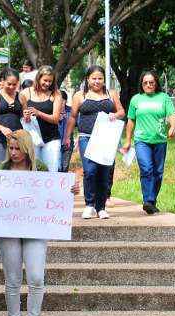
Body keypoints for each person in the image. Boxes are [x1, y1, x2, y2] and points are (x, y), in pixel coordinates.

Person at [0, 129, 79, 316]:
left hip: (36, 228)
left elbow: (55, 194)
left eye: (18, 149)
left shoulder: (40, 169)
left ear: (27, 149)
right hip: (8, 229)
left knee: (36, 277)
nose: (13, 153)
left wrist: (70, 190)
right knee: (12, 279)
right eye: (11, 148)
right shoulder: (1, 170)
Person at [64, 65, 125, 219]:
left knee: (104, 172)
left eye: (100, 78)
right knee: (90, 171)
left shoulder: (111, 94)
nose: (97, 81)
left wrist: (115, 115)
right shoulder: (80, 95)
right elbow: (72, 117)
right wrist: (67, 136)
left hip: (106, 140)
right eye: (94, 78)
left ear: (104, 80)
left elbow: (122, 111)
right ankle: (89, 205)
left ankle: (101, 207)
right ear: (88, 79)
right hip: (86, 137)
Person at [121, 70, 175, 215]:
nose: (148, 85)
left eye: (151, 82)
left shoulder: (164, 98)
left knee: (158, 172)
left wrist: (172, 127)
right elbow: (131, 120)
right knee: (146, 169)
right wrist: (127, 140)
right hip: (141, 141)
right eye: (145, 83)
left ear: (156, 83)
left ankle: (152, 201)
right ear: (142, 84)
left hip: (160, 140)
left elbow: (172, 115)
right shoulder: (136, 99)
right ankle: (148, 200)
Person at [19, 65, 63, 172]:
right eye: (45, 80)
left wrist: (39, 113)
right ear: (38, 78)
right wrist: (25, 116)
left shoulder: (56, 94)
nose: (47, 84)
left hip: (51, 138)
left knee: (51, 171)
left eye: (50, 81)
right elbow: (22, 115)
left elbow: (55, 119)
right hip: (33, 139)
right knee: (33, 171)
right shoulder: (25, 93)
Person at [0, 67, 22, 167]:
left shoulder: (21, 97)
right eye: (9, 84)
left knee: (16, 168)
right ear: (3, 81)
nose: (11, 87)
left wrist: (27, 115)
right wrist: (2, 128)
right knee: (2, 168)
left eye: (14, 84)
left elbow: (25, 117)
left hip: (18, 139)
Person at [58, 90, 74, 172]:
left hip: (67, 144)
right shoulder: (52, 111)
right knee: (56, 167)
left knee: (64, 167)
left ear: (65, 101)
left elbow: (77, 123)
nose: (60, 103)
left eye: (62, 100)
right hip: (56, 143)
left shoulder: (71, 111)